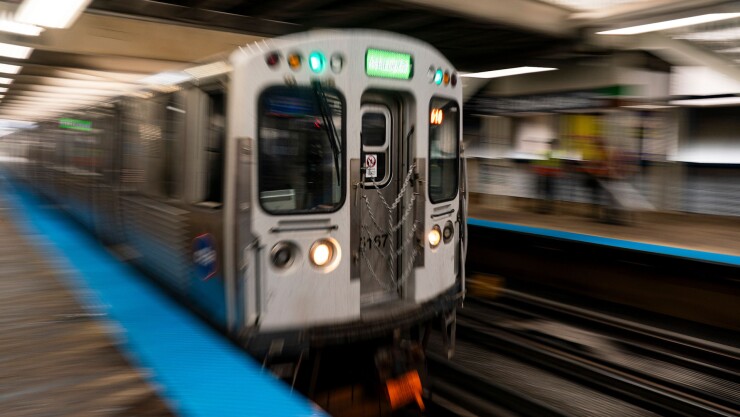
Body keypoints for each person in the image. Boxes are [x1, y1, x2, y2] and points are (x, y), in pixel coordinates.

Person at [531, 139, 561, 213]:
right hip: (545, 175)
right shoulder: (550, 154)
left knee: (547, 193)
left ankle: (545, 208)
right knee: (546, 192)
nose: (552, 146)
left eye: (552, 144)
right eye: (551, 144)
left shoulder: (554, 154)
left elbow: (558, 167)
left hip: (548, 176)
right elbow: (537, 163)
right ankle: (544, 208)